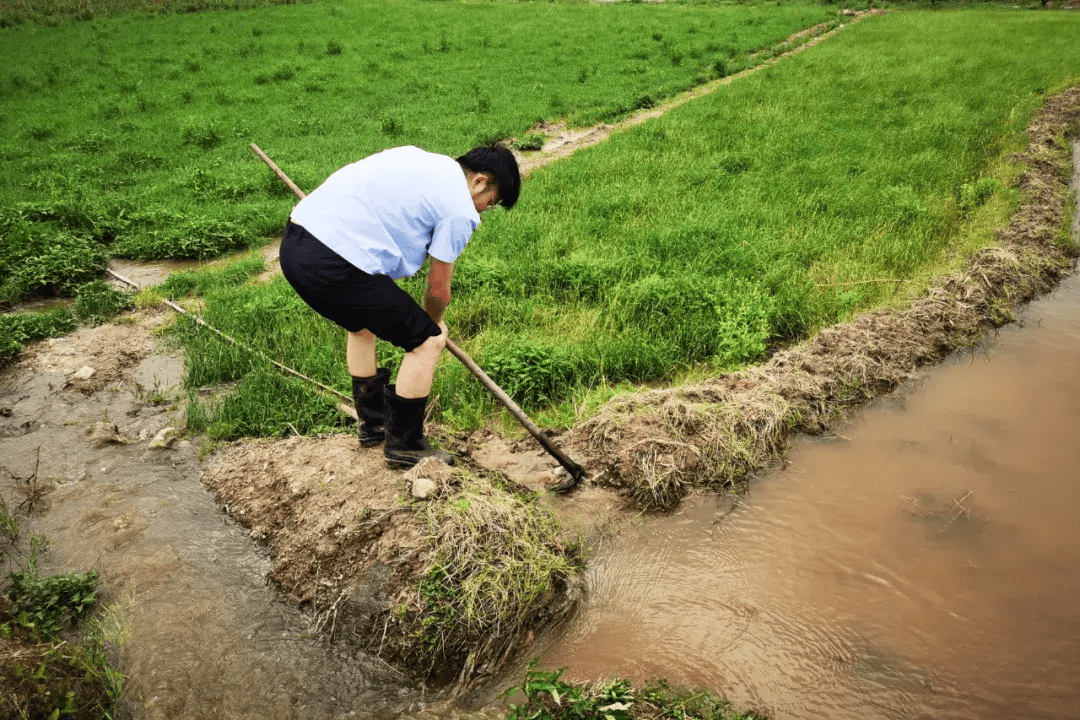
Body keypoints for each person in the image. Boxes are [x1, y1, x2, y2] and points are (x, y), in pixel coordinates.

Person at [279, 144, 521, 469]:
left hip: (295, 244)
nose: (481, 212)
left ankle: (374, 426)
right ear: (479, 182)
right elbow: (438, 289)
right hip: (337, 263)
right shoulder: (459, 208)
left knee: (361, 324)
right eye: (489, 203)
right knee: (426, 341)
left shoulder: (416, 157)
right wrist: (432, 325)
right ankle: (405, 446)